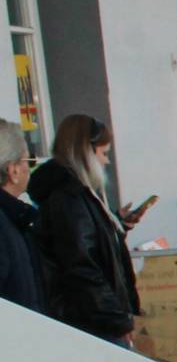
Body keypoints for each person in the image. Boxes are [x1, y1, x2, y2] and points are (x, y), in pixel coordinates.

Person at [32, 115, 141, 345]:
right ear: (86, 152)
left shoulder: (80, 195)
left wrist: (116, 224)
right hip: (92, 324)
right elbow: (83, 267)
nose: (106, 162)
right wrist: (116, 320)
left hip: (95, 318)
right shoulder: (70, 199)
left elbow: (90, 245)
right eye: (103, 153)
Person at [0, 120, 44, 313]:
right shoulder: (5, 224)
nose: (30, 168)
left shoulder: (14, 217)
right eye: (29, 161)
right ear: (13, 170)